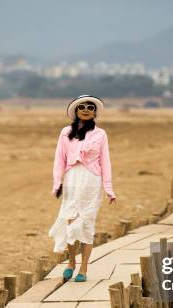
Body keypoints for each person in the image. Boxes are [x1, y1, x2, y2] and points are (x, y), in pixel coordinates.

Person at [48, 95, 116, 282]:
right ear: (76, 111)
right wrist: (57, 183)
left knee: (86, 224)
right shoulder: (65, 132)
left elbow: (105, 162)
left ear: (94, 112)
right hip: (72, 181)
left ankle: (83, 269)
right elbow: (59, 160)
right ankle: (71, 262)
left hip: (92, 182)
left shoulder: (100, 134)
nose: (86, 109)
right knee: (70, 221)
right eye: (82, 107)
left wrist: (109, 189)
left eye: (90, 107)